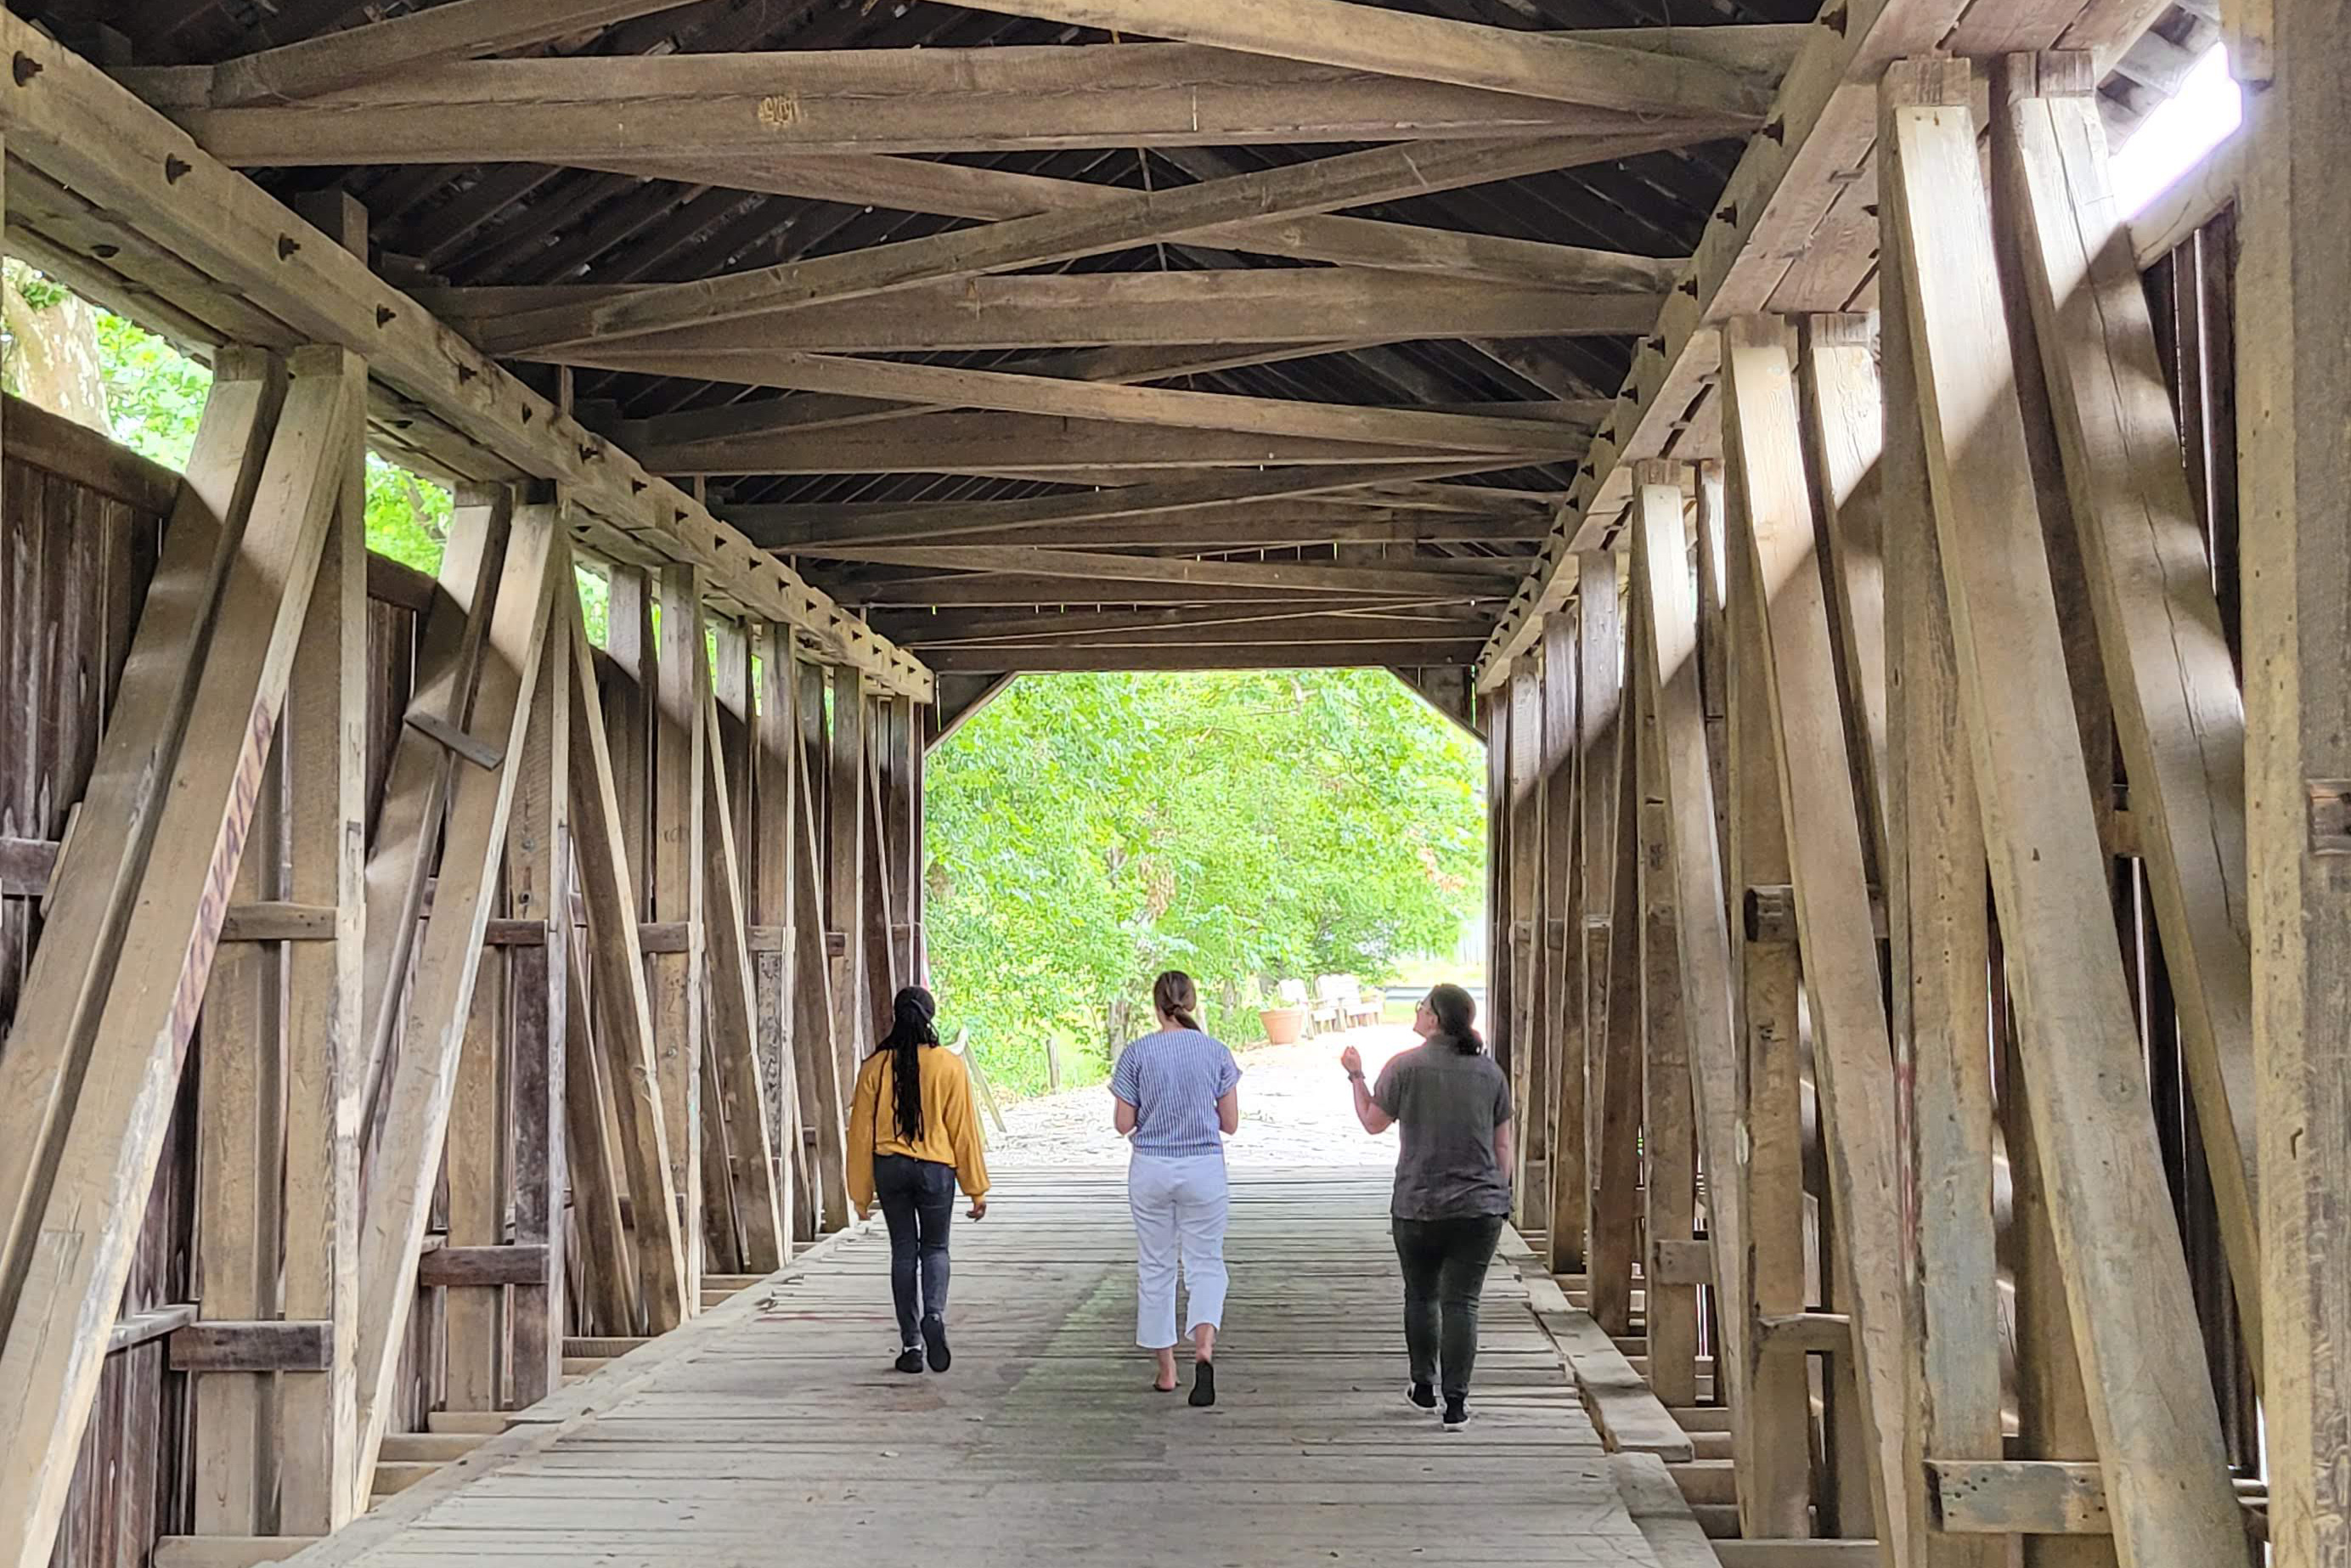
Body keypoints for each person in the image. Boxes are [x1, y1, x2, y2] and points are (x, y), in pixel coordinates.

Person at [1340, 984, 1513, 1430]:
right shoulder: (1490, 1074)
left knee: (1421, 1295)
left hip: (1418, 1205)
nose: (1417, 1013)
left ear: (1434, 1019)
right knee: (1463, 1303)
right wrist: (1496, 1193)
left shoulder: (1404, 1067)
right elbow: (1503, 1147)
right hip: (1478, 1209)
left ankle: (1423, 1387)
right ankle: (1456, 1403)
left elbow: (1373, 1123)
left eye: (1422, 1008)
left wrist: (1356, 1075)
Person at [1110, 970, 1242, 1407]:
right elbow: (1230, 1124)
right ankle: (1203, 1348)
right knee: (1205, 1261)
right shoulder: (1216, 1053)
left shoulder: (1137, 1053)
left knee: (1156, 1266)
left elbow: (1122, 1124)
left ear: (1155, 1004)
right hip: (1203, 1166)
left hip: (1151, 1166)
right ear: (1193, 1001)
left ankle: (1167, 1370)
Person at [847, 986, 990, 1374]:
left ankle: (911, 1346)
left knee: (903, 1253)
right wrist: (975, 1188)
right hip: (936, 1171)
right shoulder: (948, 1065)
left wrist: (859, 1194)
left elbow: (860, 1133)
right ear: (930, 1017)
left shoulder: (874, 1066)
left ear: (896, 1016)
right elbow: (964, 1130)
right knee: (936, 1249)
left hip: (890, 1168)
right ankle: (936, 1316)